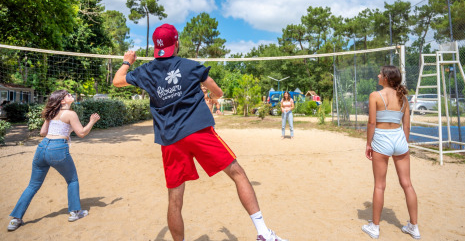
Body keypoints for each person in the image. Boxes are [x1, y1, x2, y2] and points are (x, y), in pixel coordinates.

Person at [113, 23, 287, 241]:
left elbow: (117, 80)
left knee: (175, 199)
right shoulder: (190, 66)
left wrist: (126, 62)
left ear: (156, 48)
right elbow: (218, 91)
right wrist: (212, 94)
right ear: (176, 43)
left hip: (170, 140)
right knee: (238, 174)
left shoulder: (146, 70)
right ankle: (263, 233)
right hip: (198, 131)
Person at [7, 90, 100, 231]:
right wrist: (92, 121)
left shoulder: (52, 114)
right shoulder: (70, 114)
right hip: (57, 149)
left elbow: (43, 133)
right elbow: (81, 133)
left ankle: (15, 219)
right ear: (62, 101)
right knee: (72, 180)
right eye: (68, 95)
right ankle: (75, 212)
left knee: (32, 185)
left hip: (42, 148)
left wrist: (50, 120)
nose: (71, 95)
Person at [362, 66, 420, 239]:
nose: (378, 75)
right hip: (399, 139)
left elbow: (372, 122)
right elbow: (407, 125)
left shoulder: (375, 95)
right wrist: (403, 143)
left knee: (380, 185)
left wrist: (368, 143)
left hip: (381, 139)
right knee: (407, 184)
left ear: (386, 77)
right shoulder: (403, 97)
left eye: (380, 73)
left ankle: (375, 227)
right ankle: (414, 227)